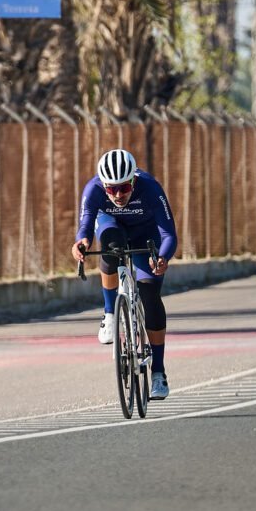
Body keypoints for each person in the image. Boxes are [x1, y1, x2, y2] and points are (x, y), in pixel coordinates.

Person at [71, 148, 178, 400]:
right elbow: (85, 226)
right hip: (112, 226)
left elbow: (169, 235)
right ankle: (110, 313)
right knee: (110, 247)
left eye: (124, 188)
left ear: (134, 180)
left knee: (149, 295)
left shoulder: (150, 188)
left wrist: (162, 257)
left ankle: (159, 372)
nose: (118, 195)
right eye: (111, 189)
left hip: (146, 233)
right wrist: (81, 242)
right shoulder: (93, 189)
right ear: (103, 185)